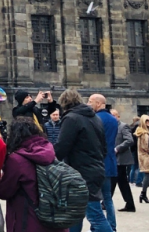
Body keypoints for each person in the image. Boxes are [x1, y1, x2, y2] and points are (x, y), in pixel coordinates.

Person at [0, 117, 66, 232]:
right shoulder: (49, 151)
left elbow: (4, 191)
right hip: (54, 220)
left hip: (28, 221)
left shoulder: (16, 160)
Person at [54, 89, 110, 232]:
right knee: (75, 214)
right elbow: (104, 147)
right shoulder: (95, 118)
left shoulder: (71, 118)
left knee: (95, 215)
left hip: (80, 171)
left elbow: (61, 147)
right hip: (95, 167)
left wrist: (49, 159)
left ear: (64, 104)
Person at [89, 95, 119, 231]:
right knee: (107, 198)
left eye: (90, 101)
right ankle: (112, 225)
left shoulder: (96, 119)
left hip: (97, 162)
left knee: (94, 198)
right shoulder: (113, 120)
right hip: (110, 161)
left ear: (99, 103)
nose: (88, 104)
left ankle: (98, 226)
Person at [112, 109, 137, 212]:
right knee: (121, 182)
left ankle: (106, 202)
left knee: (115, 180)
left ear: (118, 117)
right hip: (113, 158)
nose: (112, 117)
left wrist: (118, 148)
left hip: (121, 159)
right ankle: (130, 204)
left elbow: (129, 140)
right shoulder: (111, 127)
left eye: (114, 116)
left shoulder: (123, 126)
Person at [135, 115, 149, 204]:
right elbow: (146, 146)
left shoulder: (144, 132)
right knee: (147, 175)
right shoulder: (144, 134)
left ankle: (143, 194)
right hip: (146, 156)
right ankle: (143, 194)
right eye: (147, 121)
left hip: (145, 156)